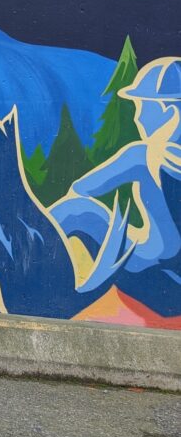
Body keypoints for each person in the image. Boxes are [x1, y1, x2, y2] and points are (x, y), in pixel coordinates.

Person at [52, 58, 181, 317]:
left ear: (168, 113)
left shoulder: (145, 156)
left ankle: (39, 282)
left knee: (75, 210)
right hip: (172, 281)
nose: (137, 116)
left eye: (143, 107)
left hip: (151, 273)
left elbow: (83, 188)